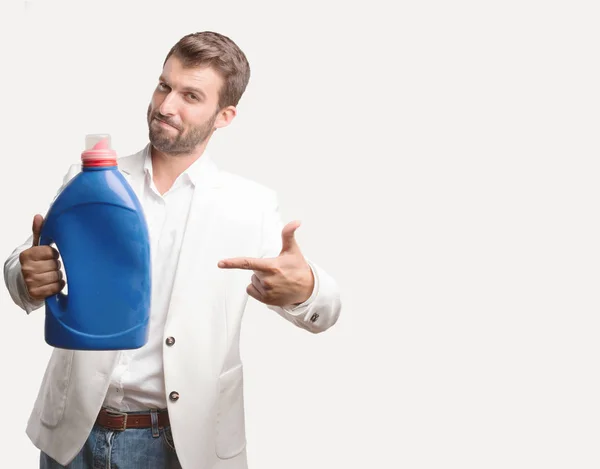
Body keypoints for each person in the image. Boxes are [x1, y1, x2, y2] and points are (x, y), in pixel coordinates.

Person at [3, 31, 341, 469]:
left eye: (190, 96)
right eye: (164, 85)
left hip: (179, 445)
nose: (165, 105)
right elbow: (21, 267)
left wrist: (306, 288)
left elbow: (327, 309)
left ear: (224, 116)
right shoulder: (92, 178)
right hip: (73, 438)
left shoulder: (249, 206)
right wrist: (27, 276)